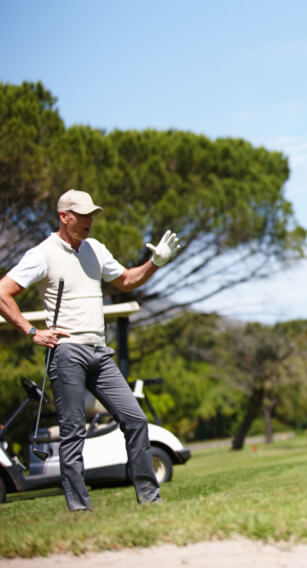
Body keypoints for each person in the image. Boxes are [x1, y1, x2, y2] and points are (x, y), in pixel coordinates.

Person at [0, 190, 181, 511]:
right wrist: (32, 332)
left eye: (92, 214)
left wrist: (155, 262)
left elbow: (126, 280)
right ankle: (80, 507)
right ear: (64, 216)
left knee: (135, 419)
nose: (89, 220)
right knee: (72, 433)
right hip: (67, 352)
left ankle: (149, 497)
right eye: (83, 215)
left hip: (99, 351)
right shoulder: (43, 254)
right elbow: (3, 292)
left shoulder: (95, 249)